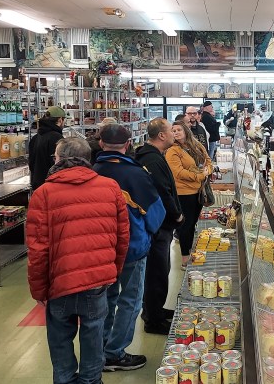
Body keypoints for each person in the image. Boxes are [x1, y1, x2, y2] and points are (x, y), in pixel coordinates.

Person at [27, 137, 130, 384]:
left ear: (60, 159)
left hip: (59, 282)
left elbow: (38, 248)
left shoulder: (44, 193)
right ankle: (92, 380)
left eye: (55, 156)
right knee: (94, 333)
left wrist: (39, 289)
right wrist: (111, 272)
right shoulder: (110, 187)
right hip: (96, 282)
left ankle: (64, 379)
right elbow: (122, 237)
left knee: (60, 337)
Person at [93, 124, 165, 372]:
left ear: (101, 144)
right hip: (132, 249)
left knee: (106, 299)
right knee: (130, 300)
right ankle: (115, 353)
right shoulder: (136, 175)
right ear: (127, 145)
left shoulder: (93, 172)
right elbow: (156, 214)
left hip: (101, 250)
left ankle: (100, 350)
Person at [135, 118, 184, 335]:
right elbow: (163, 192)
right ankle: (153, 320)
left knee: (159, 269)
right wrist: (177, 214)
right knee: (157, 271)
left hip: (158, 223)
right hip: (159, 224)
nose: (174, 134)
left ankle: (154, 310)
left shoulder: (152, 156)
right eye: (170, 131)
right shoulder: (153, 160)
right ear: (161, 136)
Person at [166, 120, 213, 269]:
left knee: (192, 224)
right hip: (183, 193)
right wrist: (200, 176)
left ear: (186, 130)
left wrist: (208, 171)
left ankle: (191, 251)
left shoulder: (196, 145)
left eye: (179, 130)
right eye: (173, 131)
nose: (176, 133)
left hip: (198, 191)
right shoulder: (173, 150)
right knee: (185, 226)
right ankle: (185, 259)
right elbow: (178, 172)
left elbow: (208, 161)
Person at [28, 105, 65, 190]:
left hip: (37, 185)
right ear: (60, 120)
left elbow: (31, 164)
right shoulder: (57, 138)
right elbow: (58, 165)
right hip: (51, 186)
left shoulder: (35, 138)